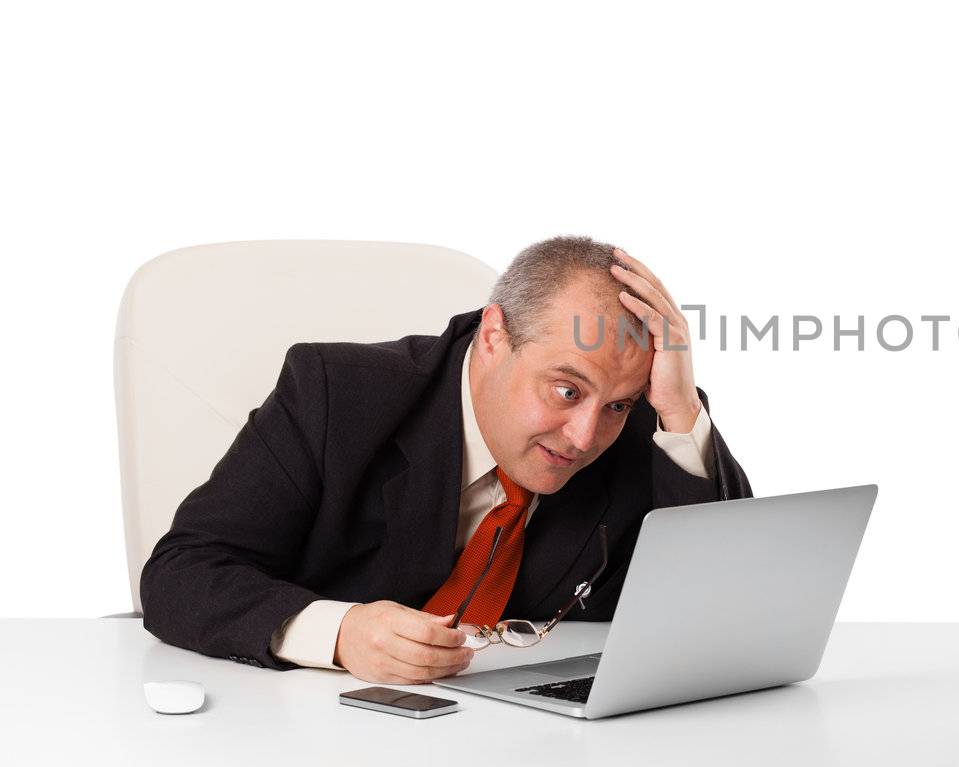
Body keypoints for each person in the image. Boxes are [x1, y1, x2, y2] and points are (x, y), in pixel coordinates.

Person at [140, 236, 753, 684]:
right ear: (493, 338)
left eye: (616, 406)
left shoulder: (641, 427)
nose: (584, 436)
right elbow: (180, 572)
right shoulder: (335, 393)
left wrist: (678, 411)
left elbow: (728, 610)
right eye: (565, 391)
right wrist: (338, 632)